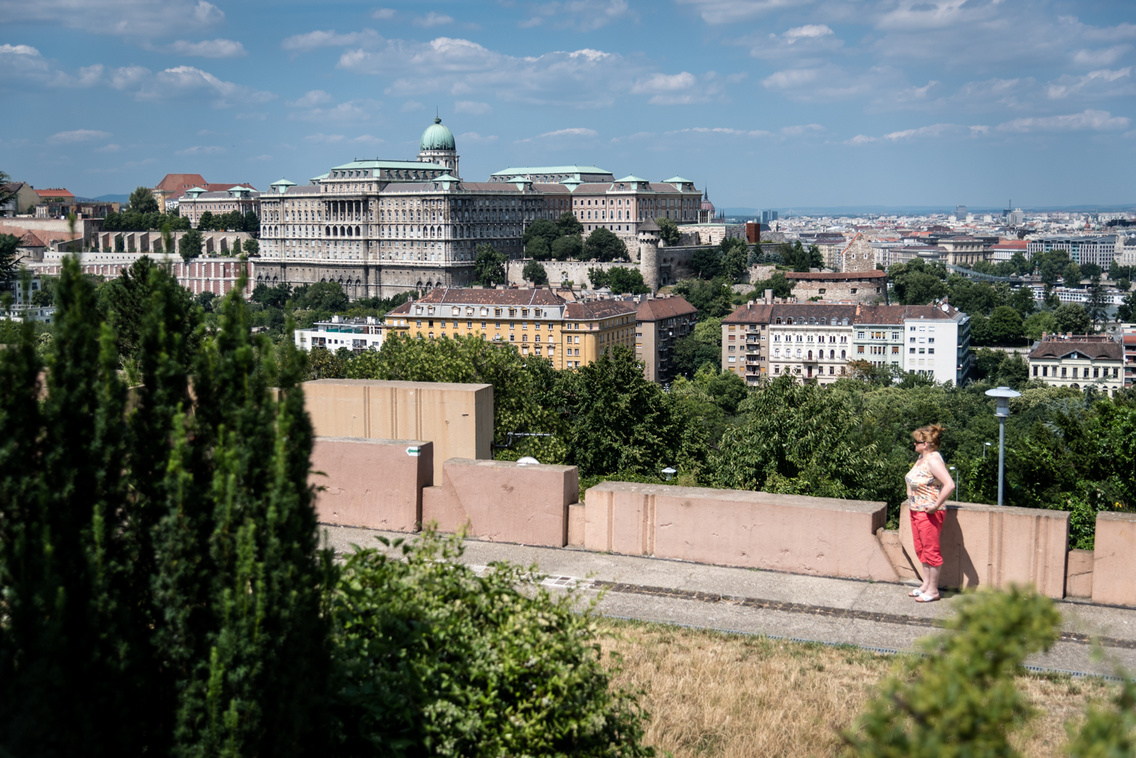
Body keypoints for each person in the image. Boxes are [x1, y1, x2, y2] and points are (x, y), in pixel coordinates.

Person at [905, 423, 954, 602]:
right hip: (916, 510)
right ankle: (926, 584)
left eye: (916, 442)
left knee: (931, 551)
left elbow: (949, 484)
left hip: (929, 512)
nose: (914, 445)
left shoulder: (933, 460)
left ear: (925, 444)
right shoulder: (921, 458)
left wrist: (935, 505)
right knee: (921, 549)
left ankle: (933, 591)